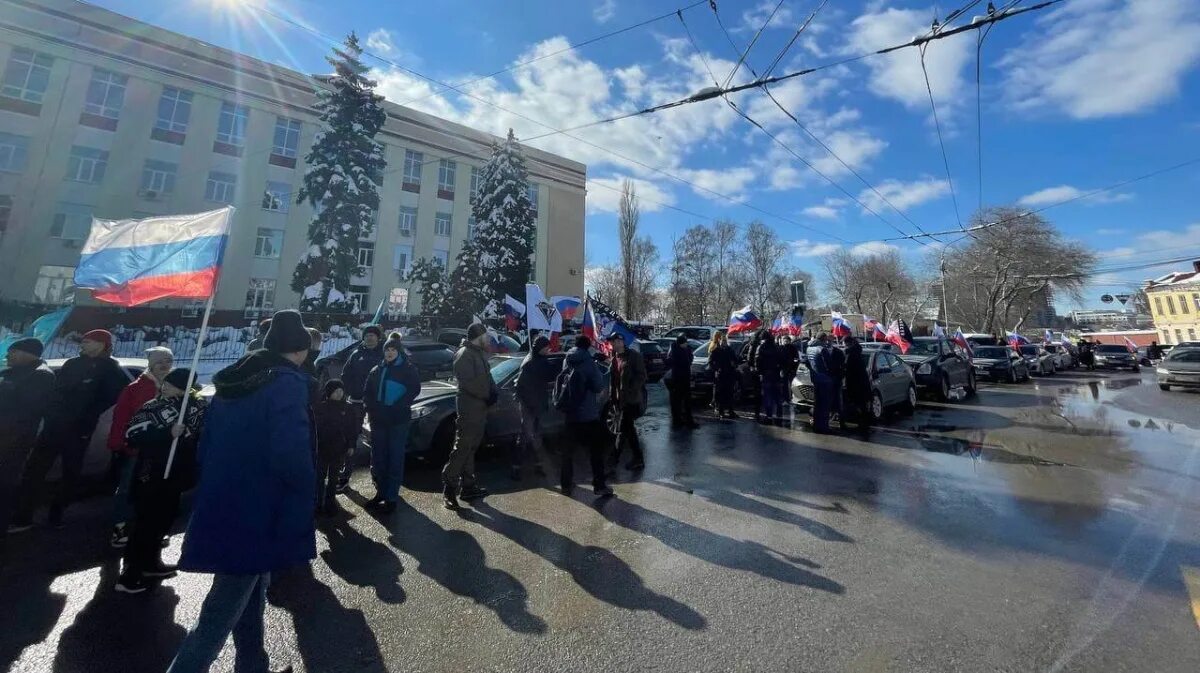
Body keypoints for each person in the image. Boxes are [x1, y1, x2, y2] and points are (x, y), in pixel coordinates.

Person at [168, 309, 315, 673]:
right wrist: (305, 490)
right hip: (260, 505)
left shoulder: (233, 382)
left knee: (253, 589)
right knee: (221, 611)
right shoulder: (286, 383)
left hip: (224, 496)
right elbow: (290, 451)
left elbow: (206, 445)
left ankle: (253, 664)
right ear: (298, 350)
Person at [11, 329, 127, 529]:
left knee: (70, 473)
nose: (82, 344)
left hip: (79, 430)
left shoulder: (111, 369)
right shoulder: (72, 364)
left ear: (101, 345)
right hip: (54, 426)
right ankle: (23, 516)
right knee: (35, 469)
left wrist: (85, 416)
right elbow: (56, 391)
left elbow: (111, 398)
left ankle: (57, 515)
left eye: (87, 341)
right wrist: (54, 413)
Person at [116, 367, 206, 594]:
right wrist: (167, 434)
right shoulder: (153, 407)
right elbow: (132, 435)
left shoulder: (195, 407)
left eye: (172, 384)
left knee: (164, 520)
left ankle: (152, 562)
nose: (165, 386)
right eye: (165, 383)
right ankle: (130, 573)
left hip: (175, 475)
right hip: (151, 473)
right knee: (145, 523)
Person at [106, 346, 173, 548]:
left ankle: (151, 530)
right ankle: (121, 529)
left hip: (162, 449)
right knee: (128, 489)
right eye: (160, 362)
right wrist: (119, 442)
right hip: (138, 448)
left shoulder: (174, 388)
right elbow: (121, 418)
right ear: (151, 364)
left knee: (157, 490)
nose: (164, 366)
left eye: (168, 362)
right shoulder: (135, 388)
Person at [1, 338, 55, 539]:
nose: (7, 356)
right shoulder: (12, 372)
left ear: (27, 353)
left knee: (4, 486)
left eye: (12, 352)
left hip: (12, 443)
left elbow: (23, 415)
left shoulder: (40, 376)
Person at [363, 334, 421, 513]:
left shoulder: (407, 369)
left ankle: (391, 497)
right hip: (379, 421)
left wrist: (399, 406)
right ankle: (380, 492)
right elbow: (368, 392)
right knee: (379, 458)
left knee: (395, 458)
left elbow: (414, 389)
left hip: (398, 421)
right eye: (387, 349)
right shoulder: (377, 370)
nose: (389, 352)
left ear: (399, 351)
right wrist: (372, 410)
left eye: (393, 349)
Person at [442, 323, 495, 509]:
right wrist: (488, 395)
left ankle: (468, 486)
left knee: (471, 447)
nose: (488, 339)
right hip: (469, 407)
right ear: (478, 336)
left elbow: (488, 378)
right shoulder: (465, 354)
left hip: (479, 408)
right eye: (486, 335)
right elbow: (469, 383)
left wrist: (492, 391)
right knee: (463, 447)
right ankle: (449, 487)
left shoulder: (478, 353)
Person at [559, 335, 612, 496]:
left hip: (570, 413)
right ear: (588, 346)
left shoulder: (567, 359)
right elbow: (598, 386)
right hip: (588, 415)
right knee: (596, 452)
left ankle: (566, 484)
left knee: (567, 452)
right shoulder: (588, 362)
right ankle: (599, 485)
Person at [335, 325, 384, 493]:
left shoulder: (383, 356)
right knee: (350, 440)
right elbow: (345, 375)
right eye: (367, 335)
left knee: (376, 440)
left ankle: (377, 477)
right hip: (355, 402)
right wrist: (350, 392)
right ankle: (344, 477)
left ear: (378, 338)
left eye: (373, 335)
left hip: (376, 404)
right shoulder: (356, 355)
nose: (370, 338)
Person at [313, 380, 359, 516]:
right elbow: (316, 429)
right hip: (322, 448)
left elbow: (353, 429)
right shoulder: (320, 408)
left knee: (334, 478)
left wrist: (351, 445)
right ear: (329, 393)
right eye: (335, 391)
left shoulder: (348, 408)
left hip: (339, 449)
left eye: (341, 390)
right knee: (320, 478)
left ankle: (330, 503)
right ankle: (317, 504)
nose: (339, 393)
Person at [513, 335, 554, 480]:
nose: (548, 349)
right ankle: (517, 468)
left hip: (536, 404)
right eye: (546, 347)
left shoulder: (539, 361)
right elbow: (521, 385)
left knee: (536, 437)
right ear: (540, 348)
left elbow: (548, 377)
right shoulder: (530, 362)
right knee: (525, 436)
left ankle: (537, 466)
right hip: (529, 405)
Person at [608, 333, 647, 472]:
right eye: (614, 341)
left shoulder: (633, 356)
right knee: (628, 431)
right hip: (620, 401)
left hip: (632, 400)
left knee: (622, 430)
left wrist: (631, 389)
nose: (617, 344)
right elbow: (614, 381)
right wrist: (613, 398)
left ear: (623, 342)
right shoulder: (614, 359)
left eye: (619, 341)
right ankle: (638, 459)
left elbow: (642, 376)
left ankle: (613, 460)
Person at [665, 334, 698, 429]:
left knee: (687, 401)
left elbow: (690, 359)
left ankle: (688, 420)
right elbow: (670, 362)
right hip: (677, 379)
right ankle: (677, 420)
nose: (686, 344)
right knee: (677, 401)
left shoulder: (686, 350)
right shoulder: (675, 351)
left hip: (685, 378)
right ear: (680, 343)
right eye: (685, 342)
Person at [842, 335, 871, 433]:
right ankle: (865, 424)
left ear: (848, 343)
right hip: (862, 382)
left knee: (858, 403)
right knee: (862, 404)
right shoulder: (857, 352)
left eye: (844, 344)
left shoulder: (851, 354)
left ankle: (862, 425)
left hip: (855, 383)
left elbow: (848, 369)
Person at [708, 330, 739, 419]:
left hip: (729, 375)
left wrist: (734, 364)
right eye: (722, 341)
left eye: (725, 341)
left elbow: (735, 360)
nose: (724, 342)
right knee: (721, 394)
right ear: (720, 341)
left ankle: (731, 411)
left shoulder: (730, 350)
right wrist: (716, 369)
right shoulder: (716, 351)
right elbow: (710, 362)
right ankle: (721, 411)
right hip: (720, 375)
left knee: (730, 394)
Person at [808, 333, 835, 434]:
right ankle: (824, 427)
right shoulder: (822, 349)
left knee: (817, 403)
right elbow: (829, 365)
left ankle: (816, 425)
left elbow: (807, 363)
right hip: (825, 379)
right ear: (824, 339)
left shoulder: (809, 348)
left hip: (815, 379)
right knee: (825, 404)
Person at [754, 332, 784, 424]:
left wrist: (759, 372)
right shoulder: (776, 347)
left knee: (768, 396)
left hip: (766, 374)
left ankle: (769, 415)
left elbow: (757, 361)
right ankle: (779, 414)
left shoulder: (761, 347)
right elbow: (781, 360)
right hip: (776, 374)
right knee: (778, 395)